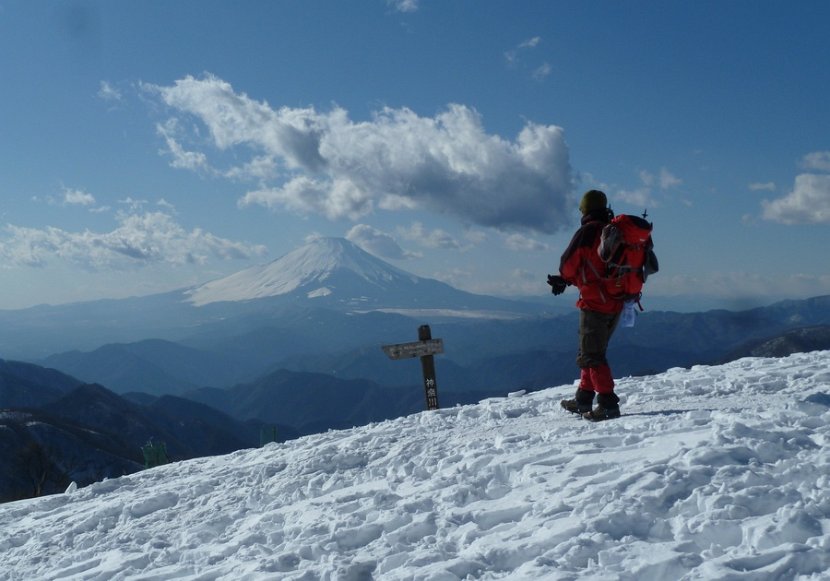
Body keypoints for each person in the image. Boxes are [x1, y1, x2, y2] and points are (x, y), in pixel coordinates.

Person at [548, 189, 623, 421]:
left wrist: (563, 277)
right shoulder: (615, 232)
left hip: (594, 303)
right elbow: (596, 266)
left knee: (592, 354)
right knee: (591, 351)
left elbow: (568, 264)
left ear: (585, 209)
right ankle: (583, 399)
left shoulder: (589, 232)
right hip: (617, 302)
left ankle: (608, 403)